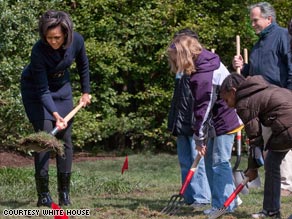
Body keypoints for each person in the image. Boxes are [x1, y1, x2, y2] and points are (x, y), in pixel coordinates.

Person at [20, 10, 91, 207]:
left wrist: (86, 92)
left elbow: (83, 66)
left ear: (66, 34)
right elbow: (42, 90)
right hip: (36, 91)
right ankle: (43, 195)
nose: (53, 41)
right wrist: (56, 115)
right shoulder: (38, 51)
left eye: (57, 38)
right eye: (48, 37)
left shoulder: (77, 41)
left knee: (65, 138)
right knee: (45, 136)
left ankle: (64, 194)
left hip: (62, 88)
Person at [167, 34, 243, 216]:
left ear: (183, 55)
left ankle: (226, 205)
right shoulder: (203, 62)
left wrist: (199, 137)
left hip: (226, 120)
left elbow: (203, 108)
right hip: (215, 121)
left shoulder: (205, 74)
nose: (175, 63)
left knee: (219, 162)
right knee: (210, 162)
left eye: (175, 59)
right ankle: (220, 202)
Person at [232, 1, 292, 199]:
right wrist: (244, 65)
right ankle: (276, 184)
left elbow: (290, 65)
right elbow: (254, 73)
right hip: (263, 103)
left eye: (255, 20)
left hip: (281, 100)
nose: (252, 24)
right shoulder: (258, 43)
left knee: (281, 143)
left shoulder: (282, 36)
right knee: (269, 145)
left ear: (269, 19)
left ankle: (285, 184)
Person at [220, 73, 292, 219]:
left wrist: (252, 168)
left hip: (287, 124)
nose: (227, 104)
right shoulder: (262, 87)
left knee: (272, 163)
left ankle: (271, 211)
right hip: (287, 120)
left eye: (226, 99)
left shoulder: (244, 103)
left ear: (233, 91)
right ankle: (271, 210)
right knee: (272, 161)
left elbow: (255, 138)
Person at [167, 29, 211, 207]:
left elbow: (200, 100)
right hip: (181, 121)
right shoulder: (180, 69)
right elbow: (179, 99)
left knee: (197, 161)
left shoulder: (199, 68)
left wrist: (198, 124)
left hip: (194, 121)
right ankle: (189, 196)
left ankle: (202, 197)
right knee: (185, 161)